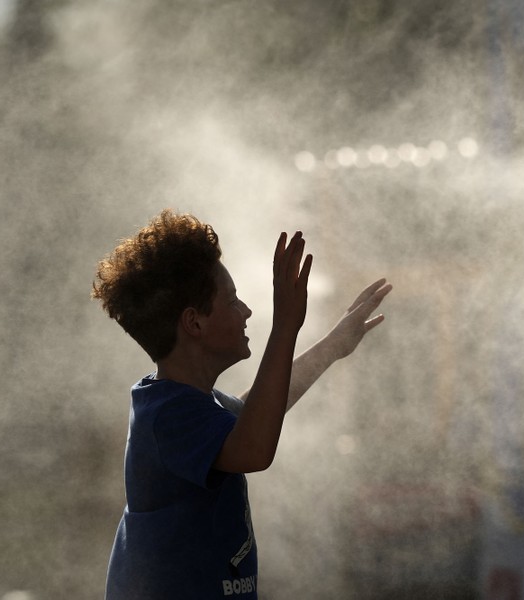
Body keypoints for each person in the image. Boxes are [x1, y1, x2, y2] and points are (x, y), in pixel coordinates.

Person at [91, 209, 391, 599]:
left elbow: (256, 414)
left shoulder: (188, 404)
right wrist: (285, 324)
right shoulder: (167, 415)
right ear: (194, 323)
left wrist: (333, 347)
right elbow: (254, 448)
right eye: (233, 301)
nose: (247, 311)